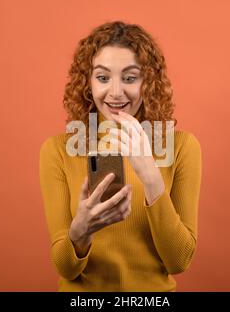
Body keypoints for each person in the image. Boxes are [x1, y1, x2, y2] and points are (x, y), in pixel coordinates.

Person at [39, 21, 202, 291]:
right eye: (103, 77)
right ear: (87, 82)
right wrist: (80, 231)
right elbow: (65, 268)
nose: (115, 93)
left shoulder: (182, 147)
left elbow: (179, 261)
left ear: (148, 81)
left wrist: (150, 173)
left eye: (129, 78)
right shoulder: (57, 150)